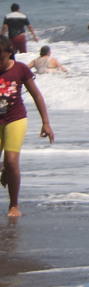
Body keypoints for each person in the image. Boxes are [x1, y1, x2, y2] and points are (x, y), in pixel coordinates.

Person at [0, 36, 54, 217]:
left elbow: (37, 96)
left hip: (15, 119)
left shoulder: (20, 69)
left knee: (12, 161)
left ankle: (14, 205)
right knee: (6, 163)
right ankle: (5, 168)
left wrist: (46, 123)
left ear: (8, 52)